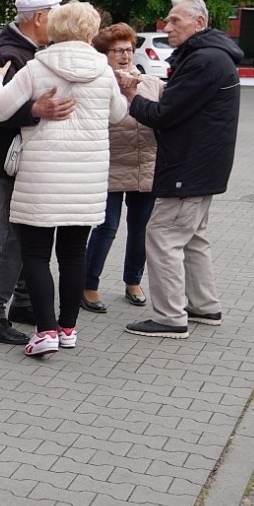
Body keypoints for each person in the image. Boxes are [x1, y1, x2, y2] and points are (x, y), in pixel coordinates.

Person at [0, 1, 128, 358]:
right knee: (73, 254)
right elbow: (118, 115)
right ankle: (68, 328)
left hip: (42, 178)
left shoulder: (37, 67)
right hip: (87, 178)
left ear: (55, 28)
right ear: (90, 32)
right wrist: (129, 91)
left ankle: (45, 331)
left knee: (35, 255)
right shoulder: (103, 70)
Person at [120, 0, 241, 339]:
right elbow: (179, 100)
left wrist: (131, 98)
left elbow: (164, 113)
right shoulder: (211, 57)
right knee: (193, 238)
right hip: (203, 166)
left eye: (175, 21)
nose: (167, 26)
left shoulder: (204, 61)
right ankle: (204, 306)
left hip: (188, 167)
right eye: (168, 20)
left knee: (162, 236)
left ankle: (170, 317)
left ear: (199, 23)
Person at [0, 0, 73, 345]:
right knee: (13, 239)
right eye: (56, 17)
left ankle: (25, 303)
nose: (59, 24)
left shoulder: (23, 52)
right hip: (8, 163)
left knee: (23, 235)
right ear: (40, 18)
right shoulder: (10, 55)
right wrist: (34, 111)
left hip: (11, 161)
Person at [82, 24, 160, 315]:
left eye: (128, 49)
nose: (125, 55)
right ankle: (88, 285)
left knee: (141, 229)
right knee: (107, 228)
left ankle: (133, 282)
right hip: (110, 166)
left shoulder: (152, 83)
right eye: (118, 50)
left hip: (145, 166)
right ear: (104, 55)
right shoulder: (98, 85)